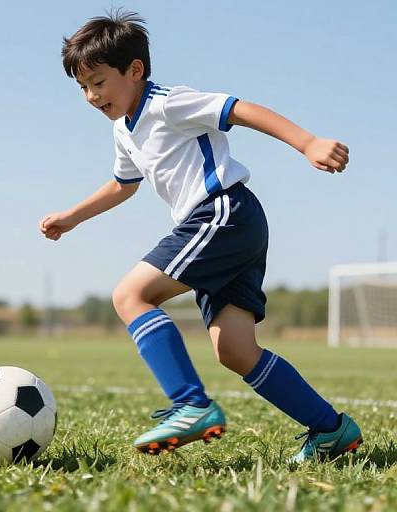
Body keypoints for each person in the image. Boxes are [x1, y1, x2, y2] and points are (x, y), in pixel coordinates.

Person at [39, 10, 362, 462]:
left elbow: (240, 109)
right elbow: (122, 185)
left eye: (98, 81)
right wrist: (72, 217)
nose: (92, 95)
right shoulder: (124, 129)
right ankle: (331, 430)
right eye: (83, 87)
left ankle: (190, 405)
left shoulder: (167, 103)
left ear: (135, 70)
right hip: (233, 225)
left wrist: (307, 142)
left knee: (130, 295)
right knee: (234, 348)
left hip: (221, 212)